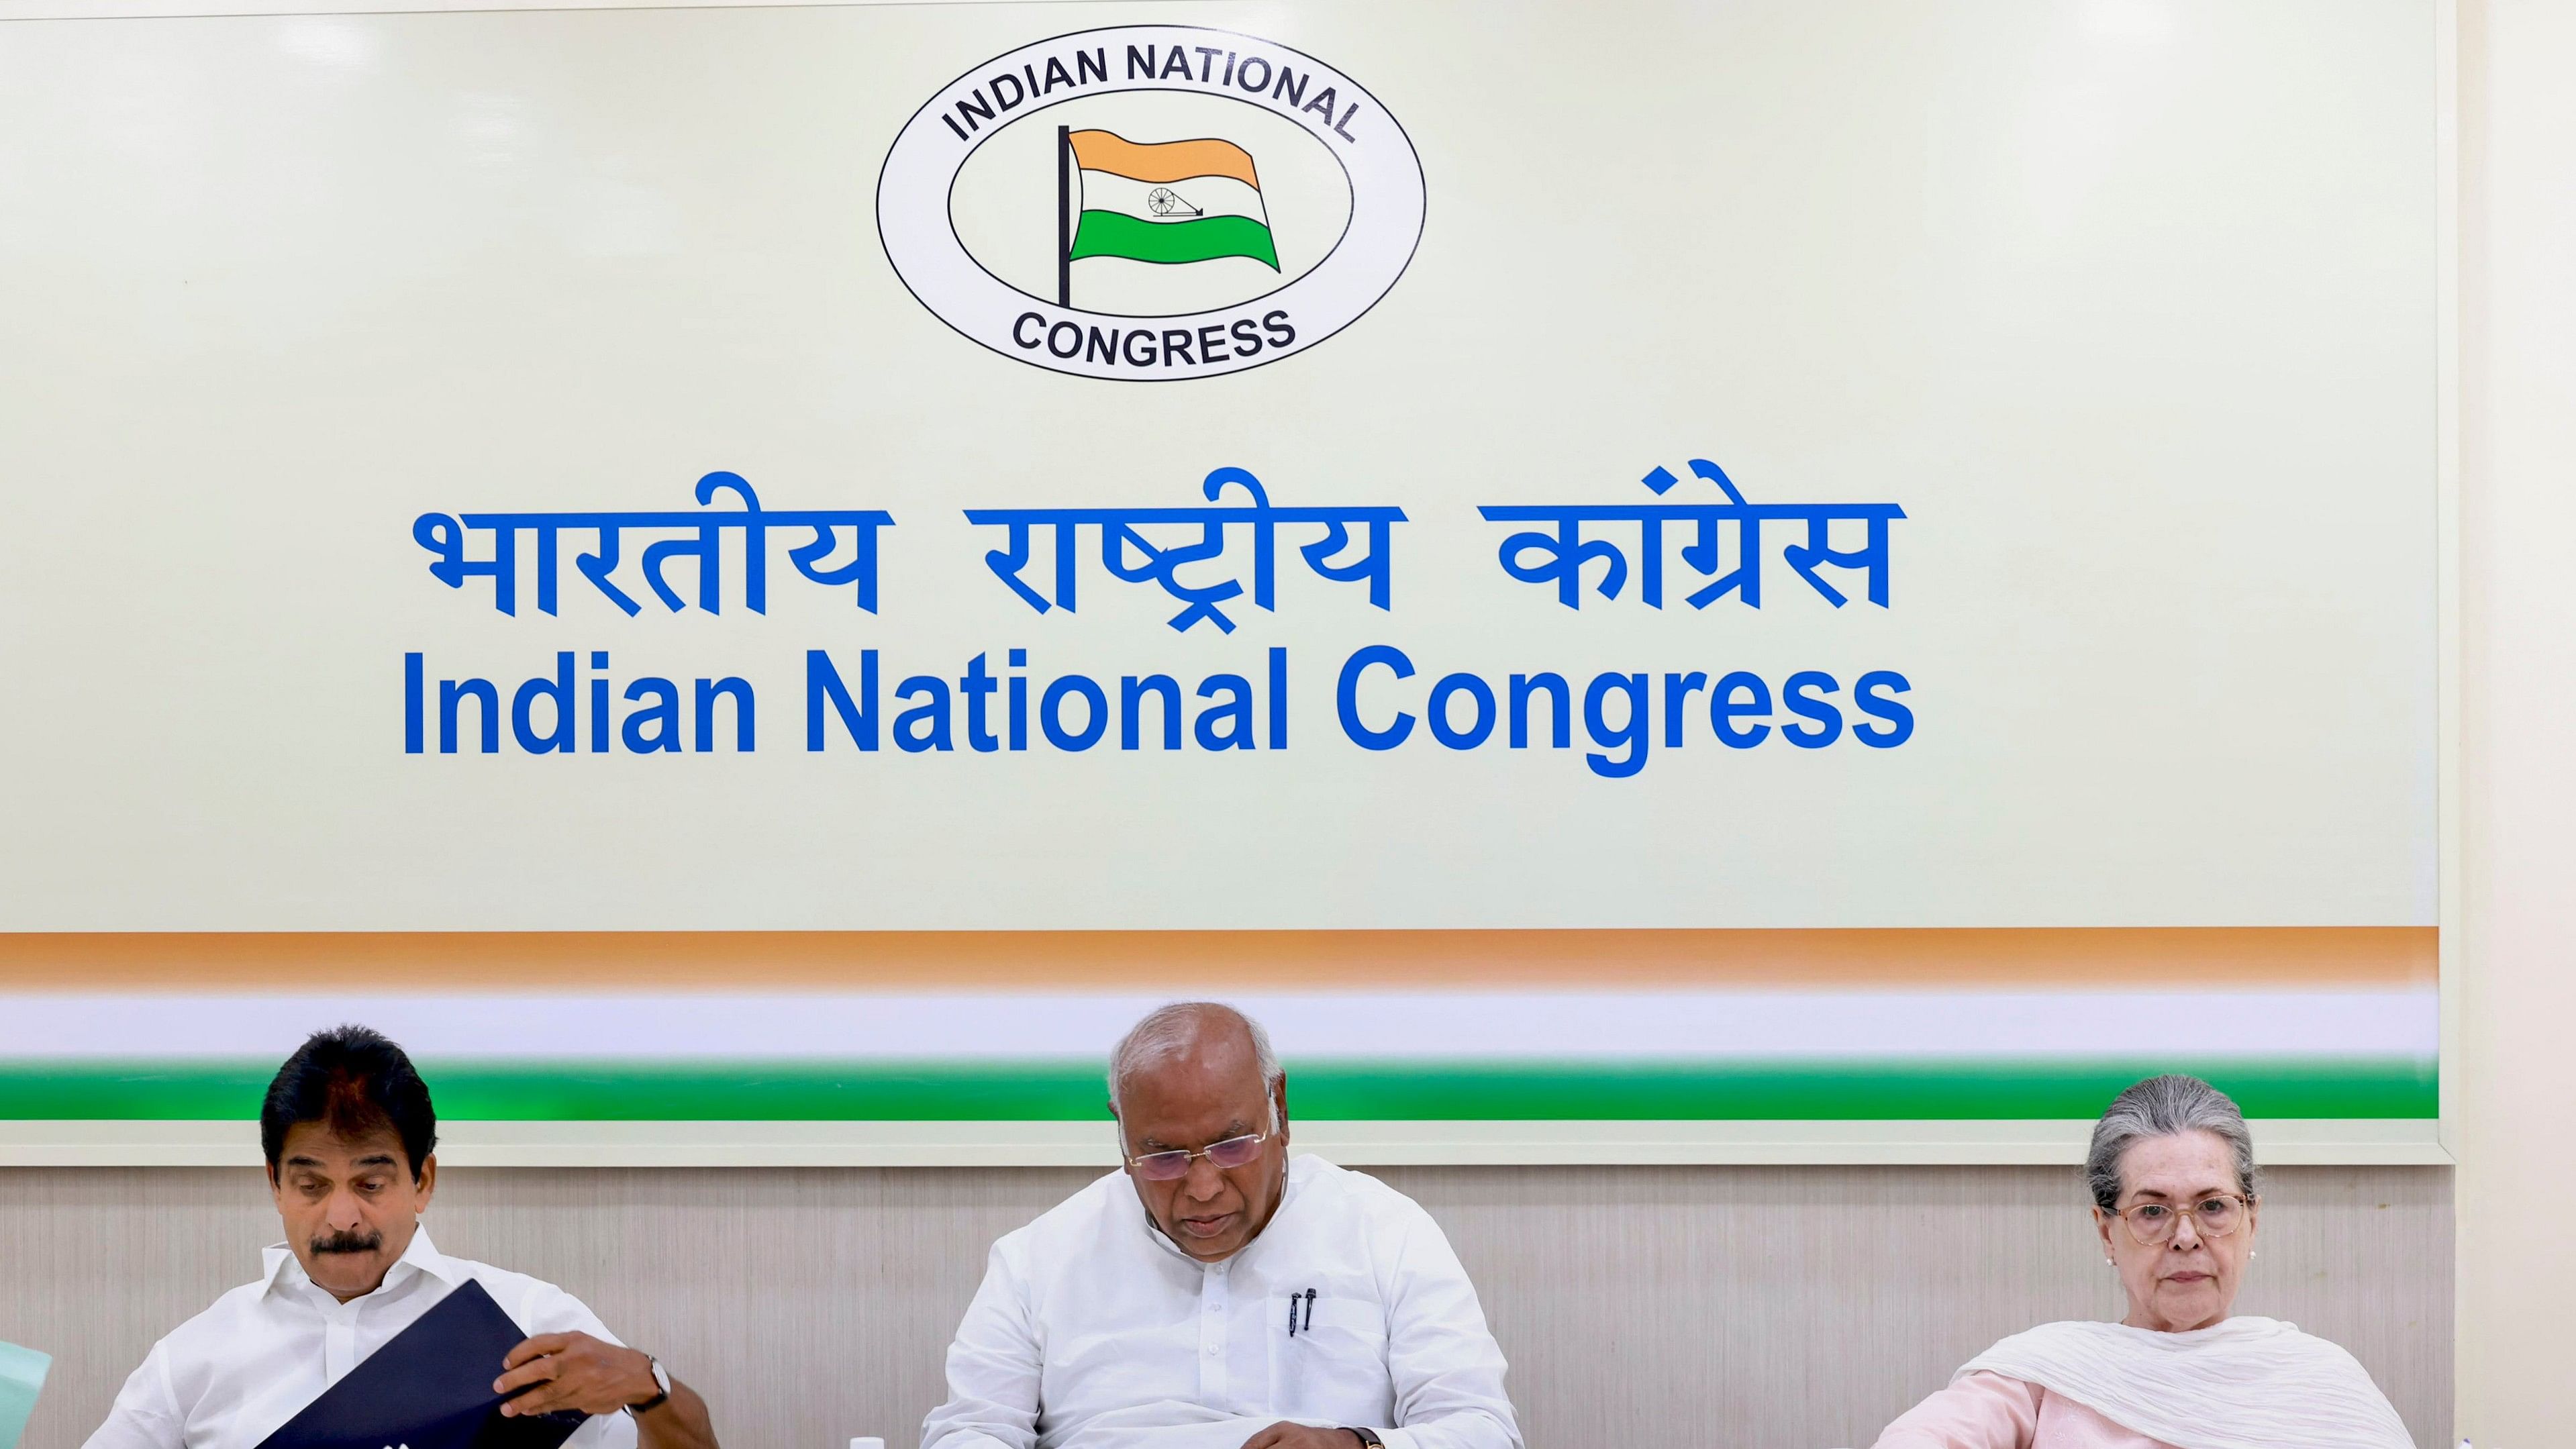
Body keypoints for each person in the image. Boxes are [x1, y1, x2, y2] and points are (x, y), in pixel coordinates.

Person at [83, 1025, 722, 1449]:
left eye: (370, 1183)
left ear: (423, 1180)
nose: (340, 1217)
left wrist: (648, 1384)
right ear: (274, 1184)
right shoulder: (193, 1357)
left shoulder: (528, 1325)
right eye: (311, 1186)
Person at [922, 1001, 1522, 1449]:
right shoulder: (1039, 1256)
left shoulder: (1384, 1230)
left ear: (1280, 1108)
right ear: (1120, 1132)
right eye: (1162, 1157)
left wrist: (1356, 1445)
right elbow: (970, 1430)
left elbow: (1485, 1431)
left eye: (1232, 1145)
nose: (1203, 1188)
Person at [1869, 1074, 2414, 1449]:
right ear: (2106, 1230)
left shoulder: (2320, 1381)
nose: (2185, 1237)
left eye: (2213, 1206)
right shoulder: (2045, 1377)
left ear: (2253, 1219)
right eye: (2152, 1210)